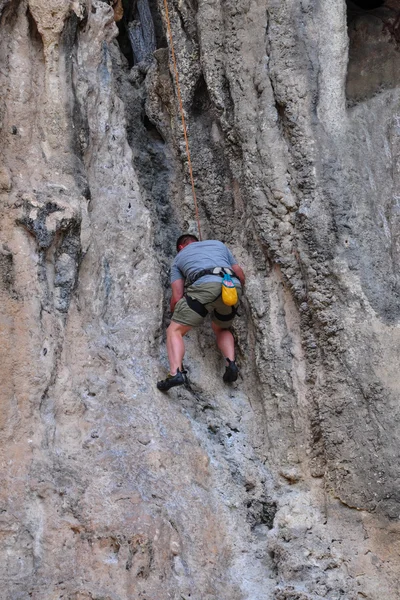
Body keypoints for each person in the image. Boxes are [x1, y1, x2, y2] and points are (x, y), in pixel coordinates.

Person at [157, 234, 246, 391]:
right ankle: (230, 363)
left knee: (174, 330)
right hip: (231, 287)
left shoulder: (179, 258)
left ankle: (175, 373)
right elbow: (240, 274)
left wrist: (175, 314)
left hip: (205, 287)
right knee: (221, 328)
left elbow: (177, 296)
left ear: (181, 247)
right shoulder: (218, 244)